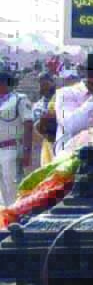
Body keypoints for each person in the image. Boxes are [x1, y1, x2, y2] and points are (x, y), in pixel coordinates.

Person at [0, 70, 33, 207]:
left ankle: (18, 217)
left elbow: (28, 124)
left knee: (13, 186)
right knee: (3, 190)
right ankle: (9, 219)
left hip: (11, 148)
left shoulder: (20, 99)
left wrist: (27, 151)